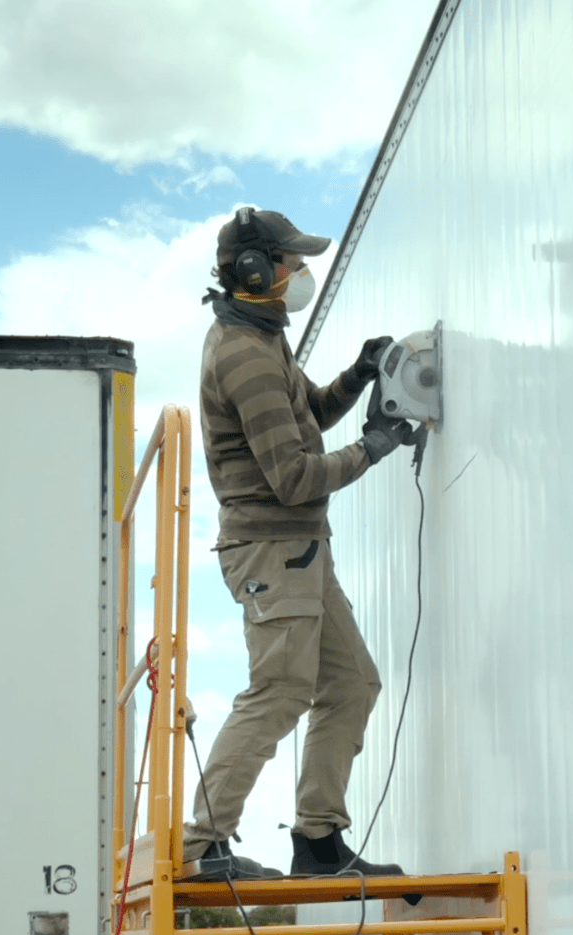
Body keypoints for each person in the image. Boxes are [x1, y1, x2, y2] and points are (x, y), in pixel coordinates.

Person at [182, 207, 413, 881]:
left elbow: (307, 412)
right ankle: (204, 846)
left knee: (350, 683)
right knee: (280, 691)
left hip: (300, 550)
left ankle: (317, 843)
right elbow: (293, 479)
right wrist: (371, 451)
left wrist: (360, 374)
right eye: (291, 261)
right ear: (255, 270)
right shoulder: (243, 357)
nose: (300, 272)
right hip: (273, 550)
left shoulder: (260, 337)